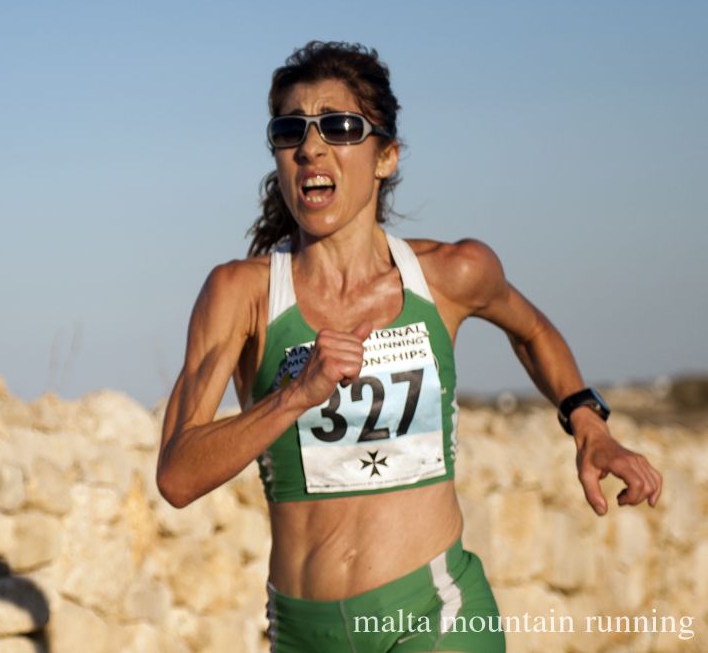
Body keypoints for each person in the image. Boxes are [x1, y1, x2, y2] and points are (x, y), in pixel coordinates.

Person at [156, 41, 663, 653]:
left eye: (340, 127)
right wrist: (294, 396)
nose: (311, 147)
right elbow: (177, 476)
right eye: (290, 130)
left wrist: (588, 421)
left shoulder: (451, 273)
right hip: (302, 630)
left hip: (437, 612)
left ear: (386, 157)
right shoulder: (241, 294)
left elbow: (532, 331)